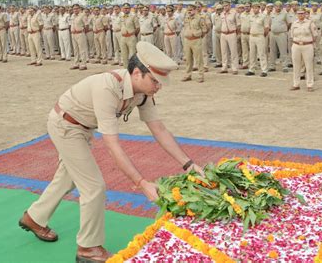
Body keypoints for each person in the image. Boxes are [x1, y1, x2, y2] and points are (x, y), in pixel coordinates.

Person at [18, 42, 203, 263]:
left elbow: (159, 129)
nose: (159, 86)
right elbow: (112, 145)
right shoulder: (108, 87)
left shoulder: (142, 92)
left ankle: (34, 218)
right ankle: (88, 248)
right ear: (136, 73)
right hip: (66, 125)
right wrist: (142, 183)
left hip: (82, 126)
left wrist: (189, 164)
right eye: (155, 80)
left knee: (67, 178)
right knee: (94, 187)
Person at [289, 7, 318, 91]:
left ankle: (309, 85)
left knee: (309, 65)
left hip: (307, 46)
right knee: (296, 65)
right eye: (299, 13)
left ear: (305, 14)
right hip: (296, 45)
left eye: (302, 13)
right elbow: (292, 35)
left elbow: (315, 35)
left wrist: (308, 42)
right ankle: (296, 84)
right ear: (297, 14)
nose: (300, 15)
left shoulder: (310, 23)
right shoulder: (294, 23)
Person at [181, 4, 207, 83]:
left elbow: (204, 30)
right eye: (188, 10)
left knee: (199, 59)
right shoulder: (186, 18)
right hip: (187, 40)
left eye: (191, 10)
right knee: (188, 59)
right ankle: (188, 75)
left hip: (196, 40)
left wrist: (197, 36)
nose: (189, 11)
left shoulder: (200, 18)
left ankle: (200, 76)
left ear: (195, 10)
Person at [245, 2, 269, 77]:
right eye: (254, 7)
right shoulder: (251, 16)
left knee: (261, 53)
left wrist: (262, 35)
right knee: (252, 54)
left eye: (256, 7)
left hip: (260, 36)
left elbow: (266, 28)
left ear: (259, 8)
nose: (255, 9)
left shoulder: (263, 16)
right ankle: (251, 69)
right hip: (252, 36)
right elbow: (249, 27)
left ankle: (264, 70)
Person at [219, 0, 240, 75]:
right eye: (224, 6)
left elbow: (238, 25)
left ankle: (234, 68)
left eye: (227, 5)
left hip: (231, 33)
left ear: (230, 6)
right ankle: (224, 67)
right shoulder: (221, 14)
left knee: (233, 51)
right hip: (223, 34)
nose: (225, 7)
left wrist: (236, 33)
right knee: (224, 52)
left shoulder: (234, 13)